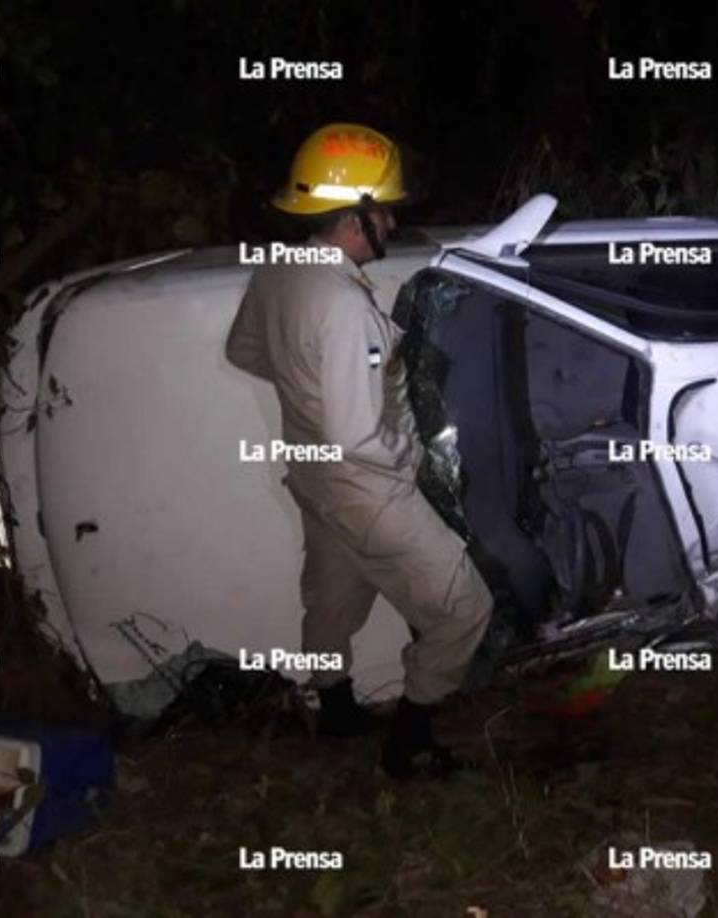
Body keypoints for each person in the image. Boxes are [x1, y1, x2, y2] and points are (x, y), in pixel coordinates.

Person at [225, 123, 493, 779]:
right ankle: (411, 741)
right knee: (464, 608)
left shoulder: (280, 271)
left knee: (333, 599)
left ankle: (336, 708)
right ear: (355, 218)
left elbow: (242, 352)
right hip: (363, 488)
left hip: (313, 478)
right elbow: (357, 435)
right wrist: (415, 451)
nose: (395, 221)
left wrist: (305, 395)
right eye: (387, 210)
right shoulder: (346, 308)